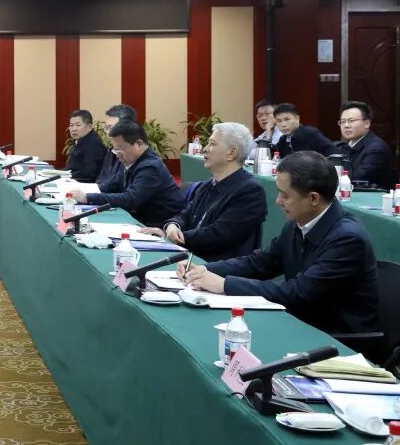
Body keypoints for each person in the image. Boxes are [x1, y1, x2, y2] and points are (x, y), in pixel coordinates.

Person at [183, 151, 378, 335]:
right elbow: (259, 263)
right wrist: (206, 270)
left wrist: (225, 285)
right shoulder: (297, 224)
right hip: (300, 323)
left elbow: (299, 292)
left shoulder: (347, 239)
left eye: (285, 195)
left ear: (313, 198)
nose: (278, 201)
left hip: (336, 338)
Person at [146, 122, 267, 261]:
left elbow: (219, 235)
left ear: (232, 153)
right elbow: (185, 215)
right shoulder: (209, 184)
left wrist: (177, 237)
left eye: (212, 144)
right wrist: (172, 225)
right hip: (191, 257)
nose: (205, 149)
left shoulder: (250, 191)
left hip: (217, 267)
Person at [70, 120, 185, 227]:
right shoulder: (131, 161)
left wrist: (87, 197)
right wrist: (80, 190)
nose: (117, 154)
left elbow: (130, 199)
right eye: (115, 149)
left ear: (139, 144)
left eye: (120, 149)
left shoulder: (151, 167)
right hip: (140, 220)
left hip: (162, 226)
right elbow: (110, 185)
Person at [337, 101, 396, 190]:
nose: (346, 125)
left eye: (351, 121)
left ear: (367, 123)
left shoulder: (376, 149)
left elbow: (356, 179)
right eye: (342, 121)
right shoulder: (344, 146)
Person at [274, 103, 339, 159]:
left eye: (287, 119)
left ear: (297, 118)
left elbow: (334, 153)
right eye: (279, 121)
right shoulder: (282, 140)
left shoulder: (311, 134)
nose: (283, 124)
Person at [96, 104, 138, 189]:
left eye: (112, 128)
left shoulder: (136, 155)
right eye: (107, 128)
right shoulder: (111, 151)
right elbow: (101, 181)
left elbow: (126, 193)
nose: (108, 133)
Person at [65, 109, 105, 183]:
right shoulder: (82, 140)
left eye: (78, 125)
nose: (74, 129)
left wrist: (65, 178)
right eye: (71, 125)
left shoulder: (93, 143)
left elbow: (88, 173)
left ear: (89, 127)